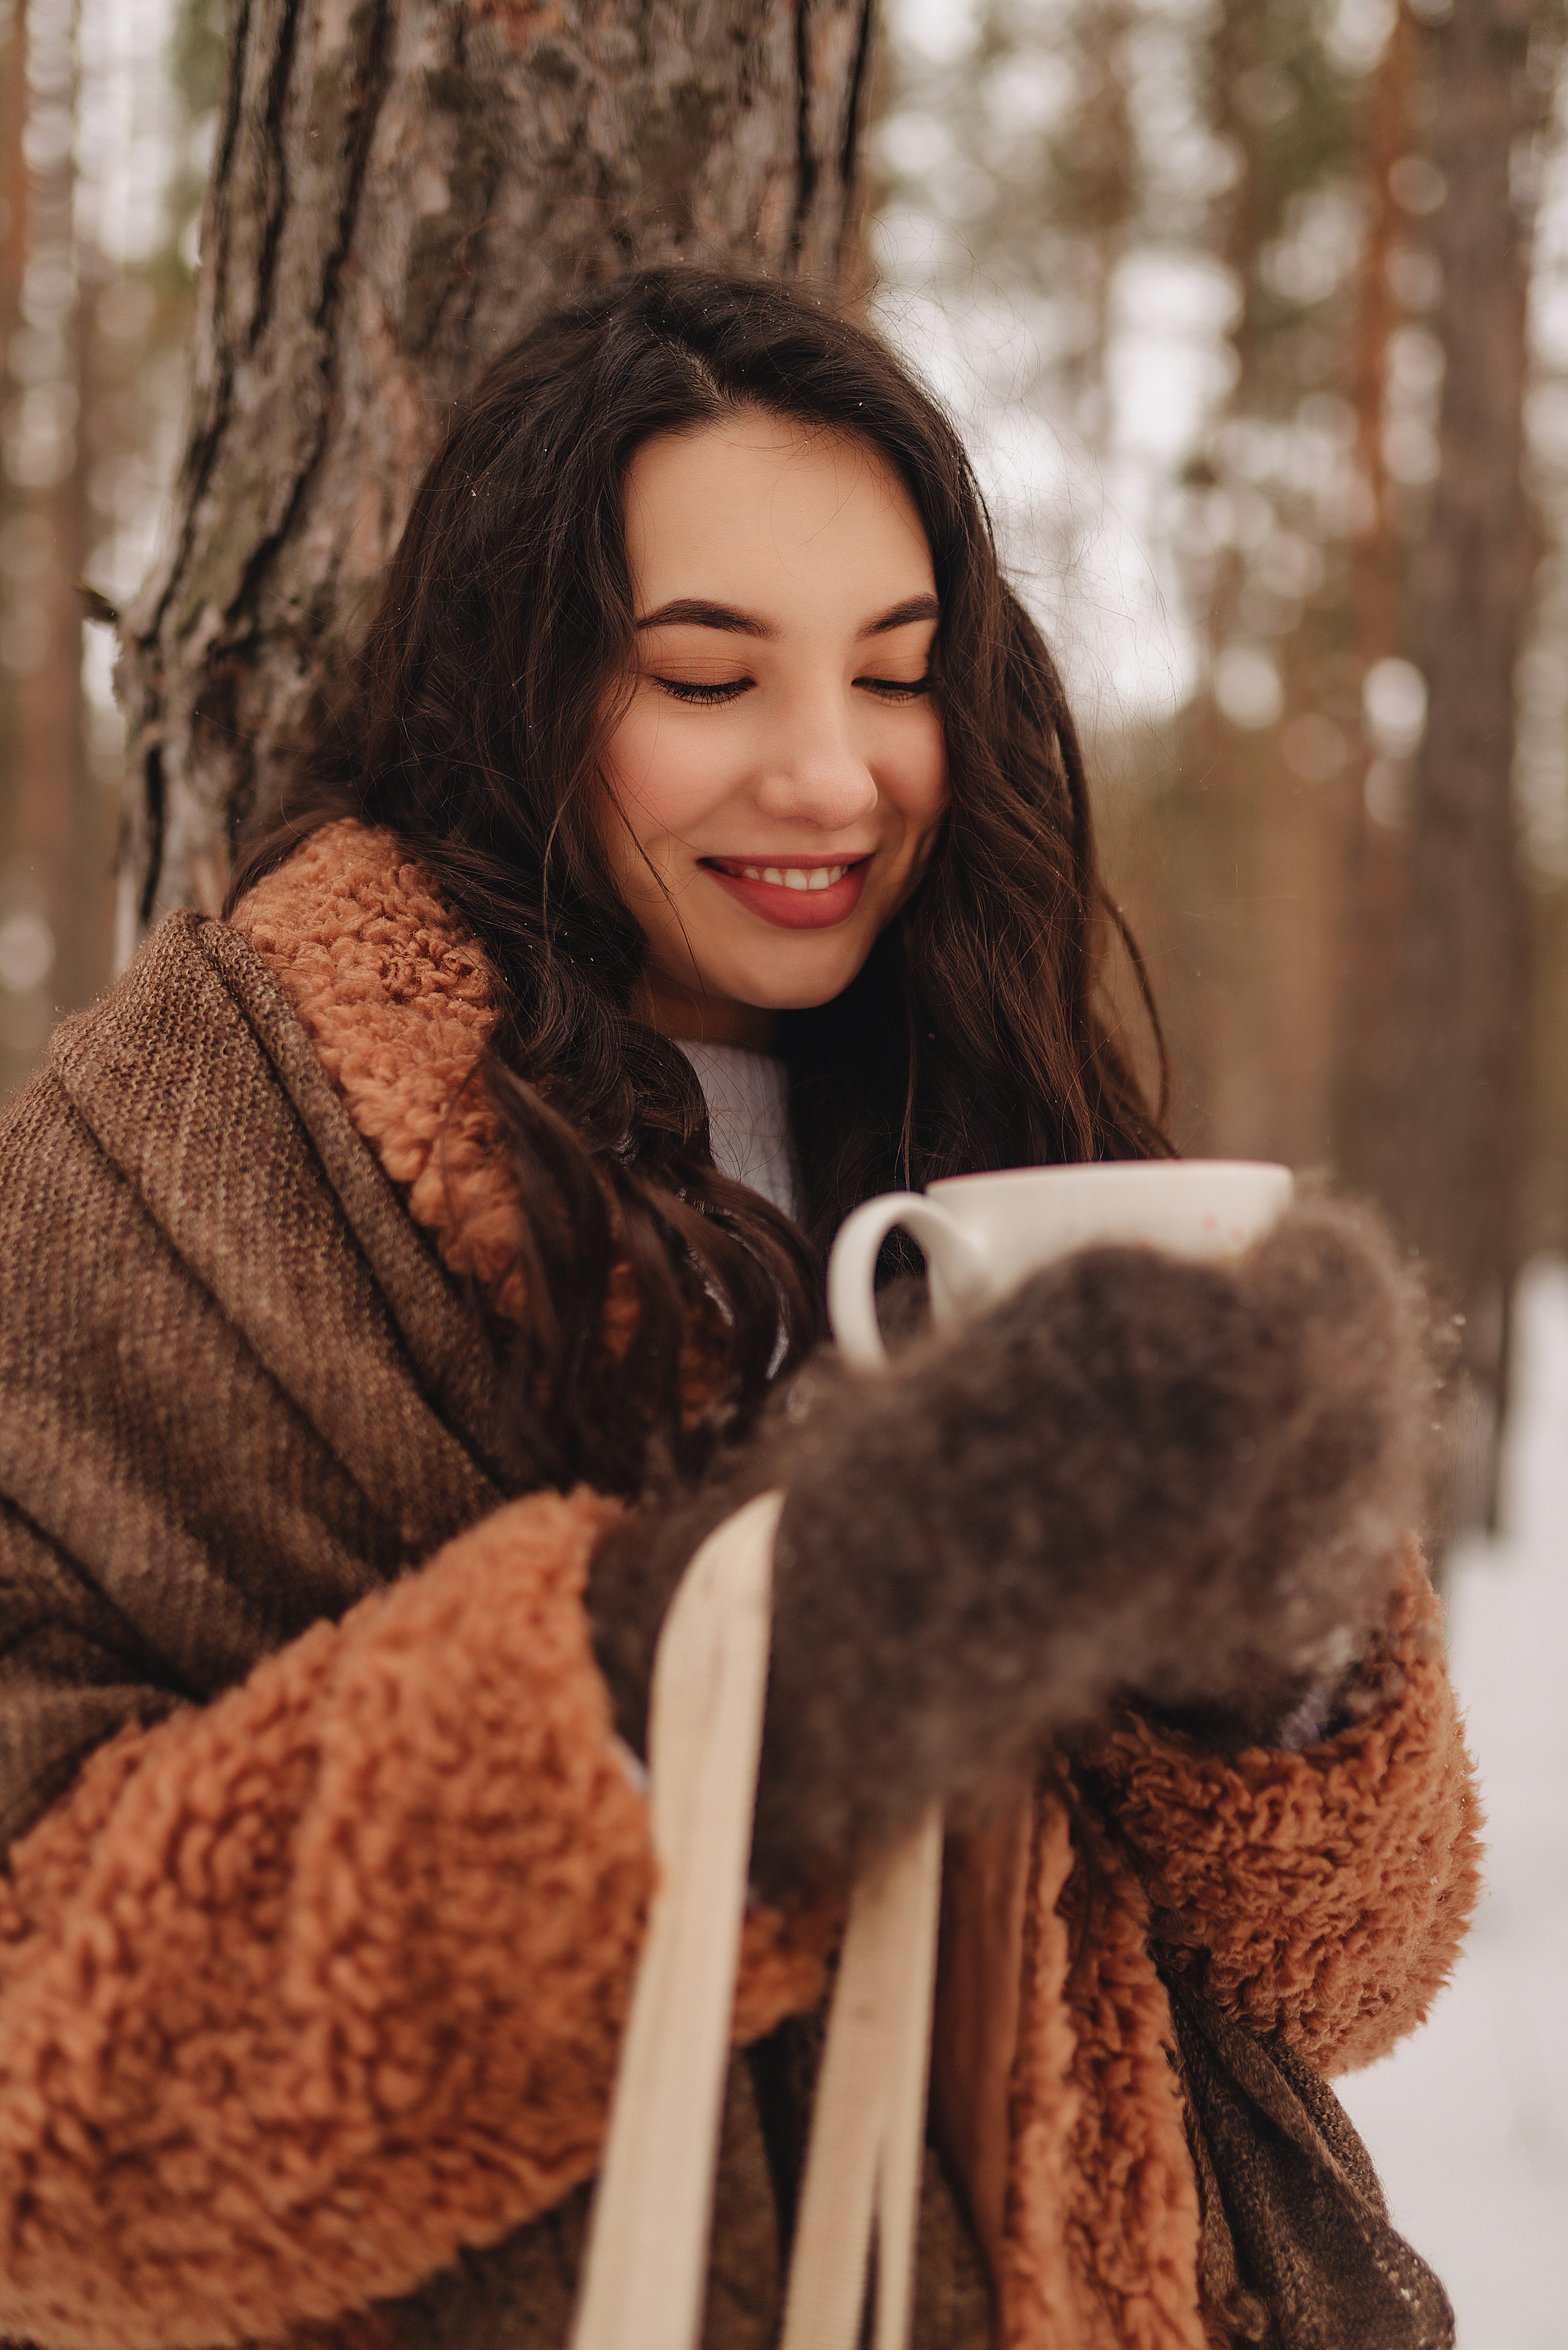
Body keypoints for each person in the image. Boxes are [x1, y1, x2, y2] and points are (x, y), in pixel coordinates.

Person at [0, 268, 1480, 2350]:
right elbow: (48, 2120)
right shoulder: (200, 1141)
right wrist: (752, 1678)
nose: (834, 779)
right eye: (706, 680)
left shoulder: (1010, 1097)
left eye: (898, 674)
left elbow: (1355, 1969)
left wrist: (1293, 1640)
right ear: (517, 687)